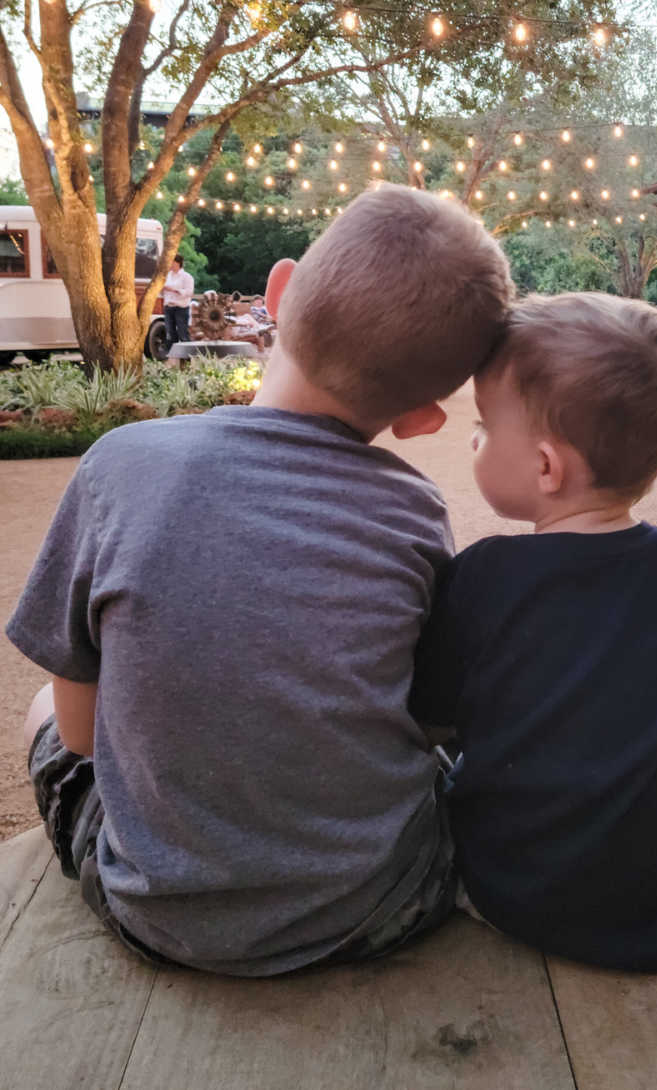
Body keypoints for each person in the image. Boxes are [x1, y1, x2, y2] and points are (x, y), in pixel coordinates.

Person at [7, 183, 514, 976]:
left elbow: (80, 735)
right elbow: (424, 715)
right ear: (422, 418)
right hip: (381, 906)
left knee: (45, 704)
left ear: (276, 294)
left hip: (156, 912)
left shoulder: (121, 463)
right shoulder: (415, 510)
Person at [411, 292, 657, 973]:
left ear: (544, 467)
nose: (473, 439)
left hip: (499, 894)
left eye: (481, 427)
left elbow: (433, 726)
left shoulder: (476, 577)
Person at [162, 254, 194, 351]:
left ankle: (188, 358)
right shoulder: (167, 276)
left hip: (181, 308)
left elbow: (189, 292)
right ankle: (172, 358)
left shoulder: (187, 277)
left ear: (178, 263)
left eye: (172, 262)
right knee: (170, 333)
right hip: (168, 307)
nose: (170, 264)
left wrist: (173, 289)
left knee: (183, 333)